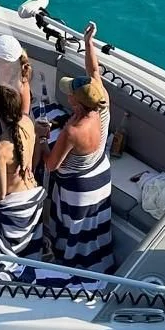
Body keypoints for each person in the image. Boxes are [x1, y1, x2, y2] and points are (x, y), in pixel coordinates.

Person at [43, 21, 114, 273]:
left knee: (73, 233)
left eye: (70, 93)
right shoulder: (102, 100)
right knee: (93, 231)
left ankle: (72, 269)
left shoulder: (73, 131)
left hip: (78, 188)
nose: (68, 94)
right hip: (100, 175)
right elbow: (93, 70)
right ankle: (100, 265)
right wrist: (88, 43)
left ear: (75, 102)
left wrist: (41, 139)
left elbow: (51, 165)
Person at [0, 80, 46, 256]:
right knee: (29, 251)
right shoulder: (28, 122)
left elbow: (0, 193)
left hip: (14, 207)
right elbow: (34, 158)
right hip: (33, 196)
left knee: (1, 255)